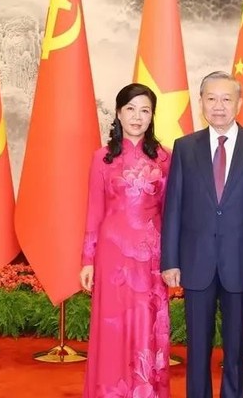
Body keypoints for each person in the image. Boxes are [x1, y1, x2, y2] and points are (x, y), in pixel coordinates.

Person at [161, 71, 243, 398]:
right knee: (197, 348)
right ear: (201, 103)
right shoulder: (185, 148)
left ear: (239, 103)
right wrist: (170, 260)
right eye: (211, 99)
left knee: (236, 349)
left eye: (227, 99)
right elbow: (174, 207)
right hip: (196, 262)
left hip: (240, 262)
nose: (219, 106)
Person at [80, 83, 171, 398]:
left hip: (152, 257)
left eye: (145, 110)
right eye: (131, 109)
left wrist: (172, 259)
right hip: (112, 257)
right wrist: (87, 260)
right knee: (112, 329)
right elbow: (94, 210)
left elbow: (171, 214)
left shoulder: (165, 158)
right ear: (118, 113)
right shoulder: (102, 158)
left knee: (147, 325)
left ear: (152, 116)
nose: (137, 116)